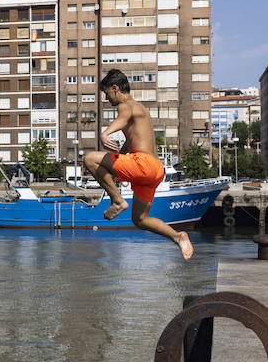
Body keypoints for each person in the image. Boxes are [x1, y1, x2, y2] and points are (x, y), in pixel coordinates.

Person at [82, 69, 194, 260]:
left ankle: (117, 201)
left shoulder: (126, 105)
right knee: (140, 219)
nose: (107, 99)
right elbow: (130, 142)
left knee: (89, 158)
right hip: (156, 170)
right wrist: (118, 157)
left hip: (143, 164)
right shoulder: (141, 109)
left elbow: (123, 117)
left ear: (115, 88)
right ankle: (178, 236)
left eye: (107, 93)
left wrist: (105, 133)